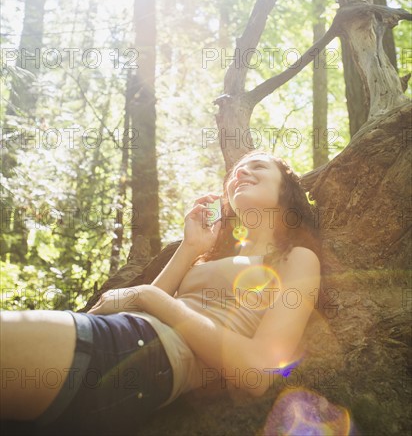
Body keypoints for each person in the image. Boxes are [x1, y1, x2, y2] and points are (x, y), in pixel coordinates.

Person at [0, 149, 324, 436]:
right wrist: (190, 247)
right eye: (237, 171)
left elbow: (257, 371)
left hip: (146, 360)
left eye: (258, 166)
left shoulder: (296, 258)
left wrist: (147, 296)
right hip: (127, 339)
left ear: (286, 187)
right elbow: (145, 308)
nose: (240, 172)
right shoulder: (211, 256)